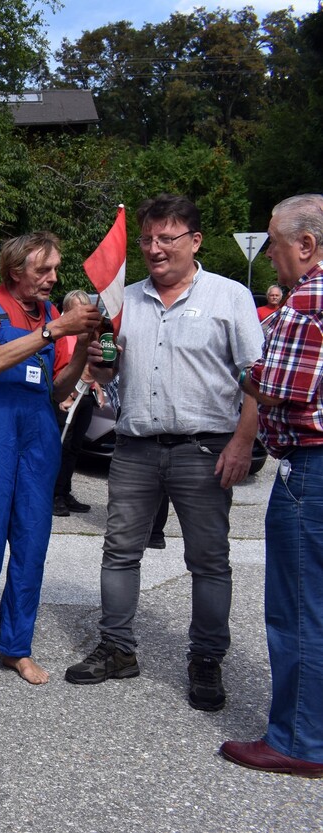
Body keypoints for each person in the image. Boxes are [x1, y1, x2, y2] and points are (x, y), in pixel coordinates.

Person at [65, 195, 263, 712]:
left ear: (195, 242)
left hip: (205, 447)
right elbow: (107, 376)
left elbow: (255, 378)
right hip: (134, 447)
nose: (154, 248)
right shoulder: (125, 300)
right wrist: (103, 365)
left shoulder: (229, 296)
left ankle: (206, 660)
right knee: (119, 551)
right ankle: (116, 650)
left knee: (208, 561)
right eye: (148, 239)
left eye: (166, 238)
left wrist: (243, 442)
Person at [0, 231, 101, 687]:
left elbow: (56, 389)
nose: (53, 278)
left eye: (55, 269)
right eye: (43, 270)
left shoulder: (52, 314)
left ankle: (17, 647)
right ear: (16, 270)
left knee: (32, 545)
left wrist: (82, 361)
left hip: (38, 434)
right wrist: (54, 331)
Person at [222, 193, 323, 777]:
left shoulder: (310, 300)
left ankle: (299, 741)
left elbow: (281, 385)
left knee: (298, 609)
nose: (276, 258)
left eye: (278, 244)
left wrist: (246, 373)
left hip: (309, 467)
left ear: (305, 245)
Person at [53, 289, 104, 517]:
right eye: (76, 308)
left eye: (84, 307)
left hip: (86, 396)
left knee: (75, 448)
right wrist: (68, 394)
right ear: (66, 309)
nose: (80, 313)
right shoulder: (61, 334)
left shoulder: (88, 334)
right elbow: (60, 368)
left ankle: (65, 492)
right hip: (67, 396)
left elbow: (90, 366)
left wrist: (98, 388)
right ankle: (54, 495)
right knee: (61, 448)